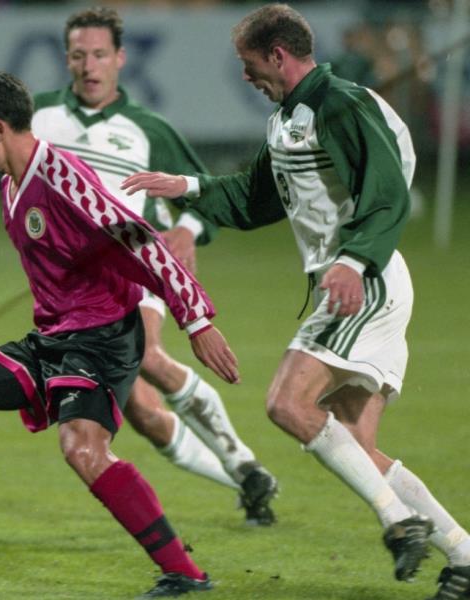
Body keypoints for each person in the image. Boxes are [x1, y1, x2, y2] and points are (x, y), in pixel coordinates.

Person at [121, 4, 470, 597]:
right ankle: (462, 554)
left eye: (250, 64)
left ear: (278, 55)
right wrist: (188, 186)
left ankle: (398, 521)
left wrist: (354, 260)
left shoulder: (340, 104)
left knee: (287, 402)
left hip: (364, 282)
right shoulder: (287, 120)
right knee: (355, 446)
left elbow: (388, 191)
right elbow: (256, 198)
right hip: (356, 280)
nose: (245, 76)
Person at [0, 70, 243, 598]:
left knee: (83, 449)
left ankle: (186, 574)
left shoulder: (64, 179)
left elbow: (142, 241)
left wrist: (196, 319)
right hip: (54, 338)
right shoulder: (11, 183)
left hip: (104, 340)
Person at [0, 6, 278, 526]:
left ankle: (243, 462)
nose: (89, 66)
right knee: (144, 413)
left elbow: (207, 201)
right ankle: (248, 480)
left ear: (121, 58)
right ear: (66, 59)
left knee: (149, 354)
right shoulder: (37, 118)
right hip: (74, 290)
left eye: (100, 54)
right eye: (78, 55)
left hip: (134, 268)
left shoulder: (149, 129)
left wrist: (187, 231)